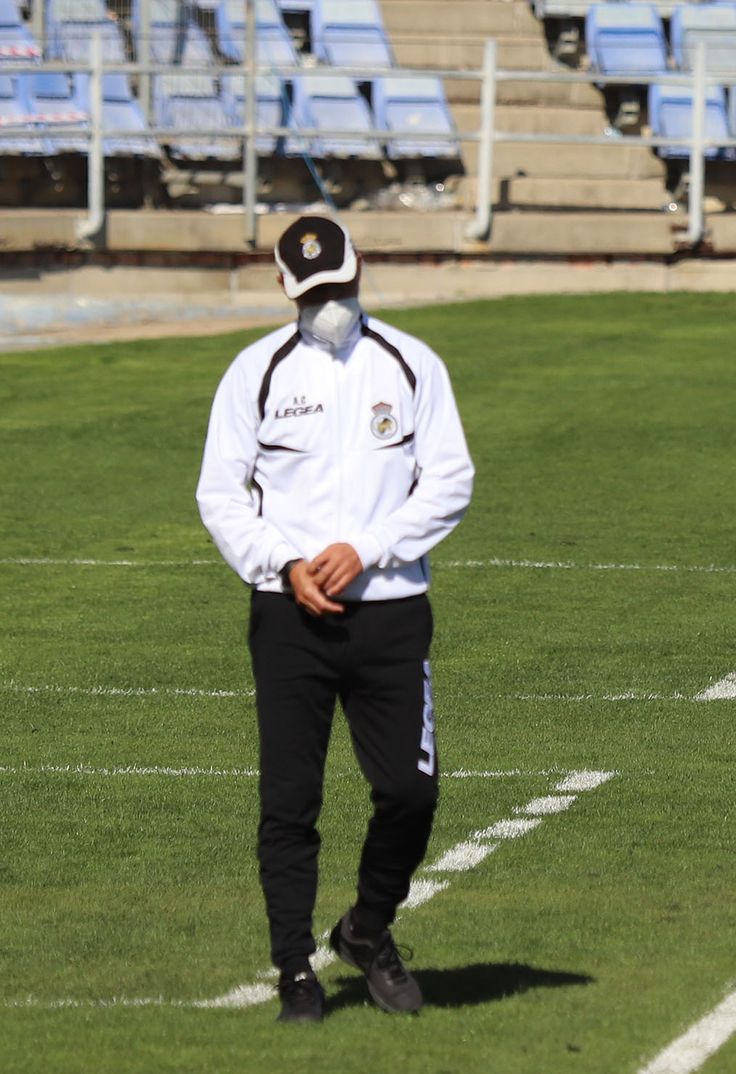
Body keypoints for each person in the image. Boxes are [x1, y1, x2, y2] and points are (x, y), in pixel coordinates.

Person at [196, 216, 474, 1022]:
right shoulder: (256, 372)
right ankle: (294, 973)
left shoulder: (411, 362)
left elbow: (449, 478)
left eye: (341, 287)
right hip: (290, 620)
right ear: (284, 288)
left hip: (391, 614)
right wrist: (282, 565)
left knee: (410, 794)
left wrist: (370, 547)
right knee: (291, 801)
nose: (330, 305)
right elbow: (221, 493)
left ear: (363, 272)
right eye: (314, 292)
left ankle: (367, 928)